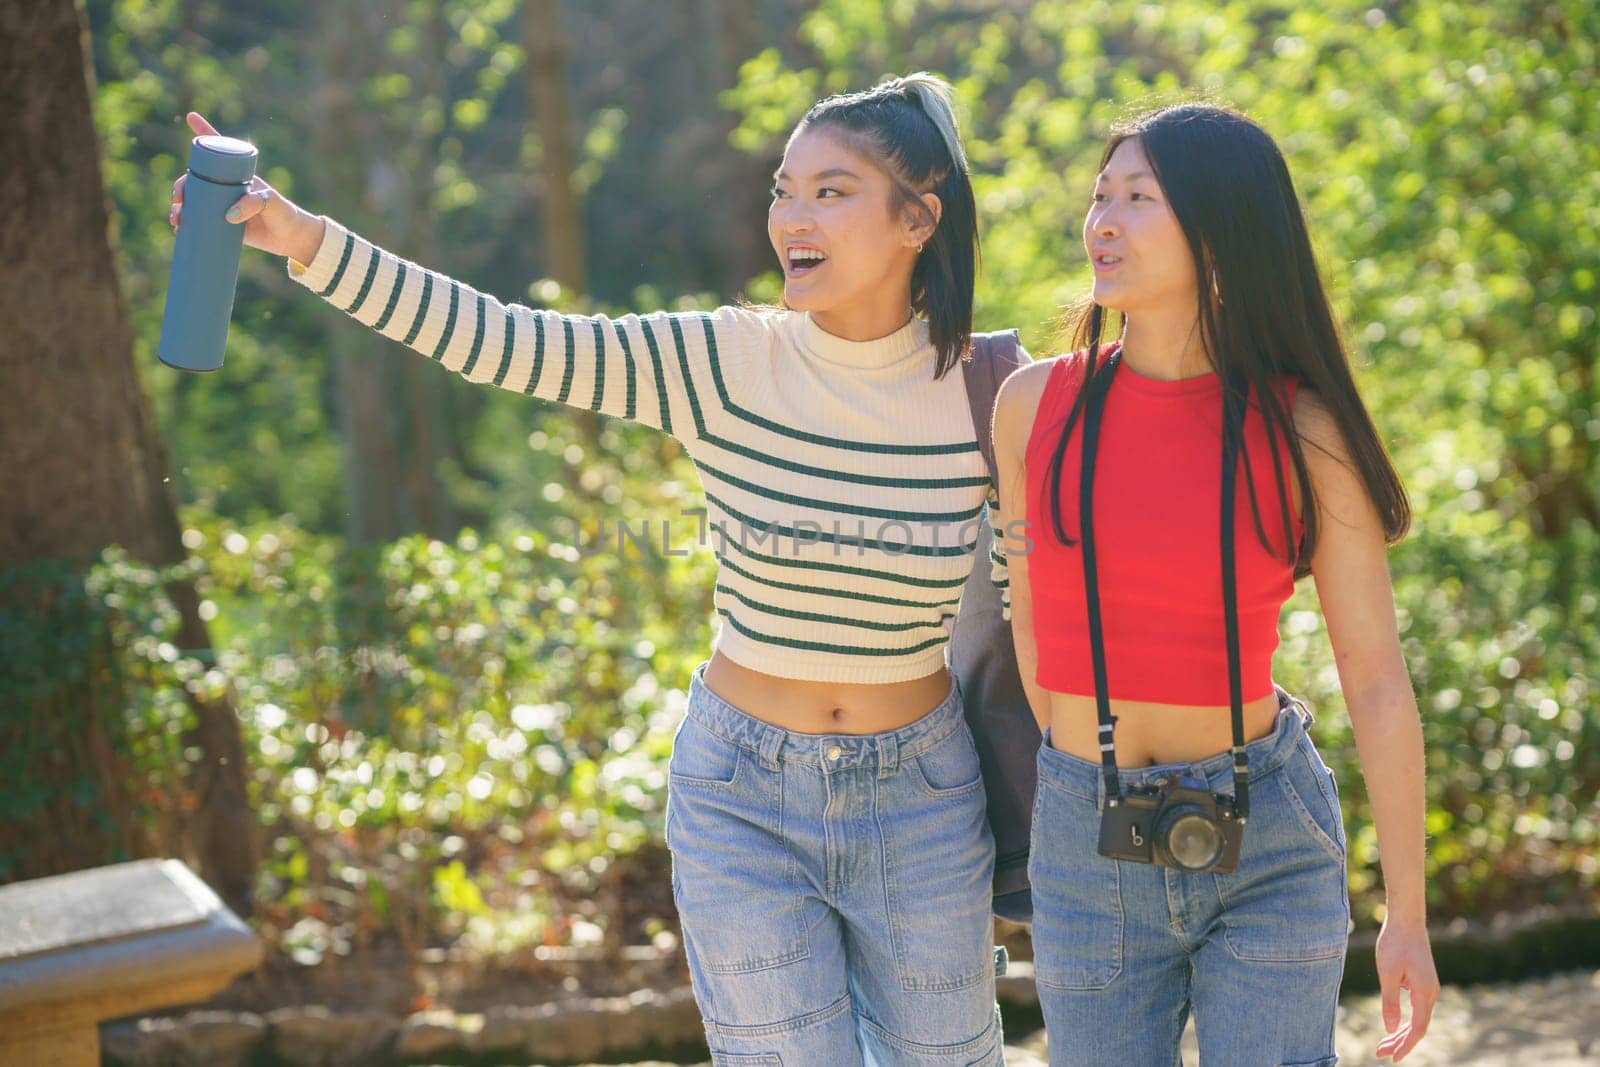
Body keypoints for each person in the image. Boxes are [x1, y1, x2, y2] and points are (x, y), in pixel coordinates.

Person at [172, 73, 1016, 1065]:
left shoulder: (993, 394)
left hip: (918, 794)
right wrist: (305, 238)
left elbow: (1041, 606)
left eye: (831, 191)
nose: (791, 213)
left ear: (919, 216)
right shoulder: (726, 361)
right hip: (741, 792)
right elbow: (504, 343)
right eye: (784, 189)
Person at [990, 102, 1440, 1065]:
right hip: (1086, 829)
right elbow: (1028, 625)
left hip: (1265, 831)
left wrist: (1408, 913)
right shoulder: (1034, 407)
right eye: (1100, 195)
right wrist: (1084, 771)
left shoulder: (1303, 431)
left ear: (1219, 227)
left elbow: (1374, 676)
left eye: (1139, 197)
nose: (1102, 221)